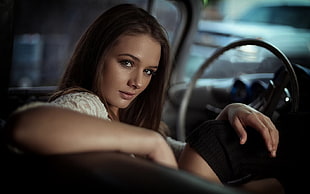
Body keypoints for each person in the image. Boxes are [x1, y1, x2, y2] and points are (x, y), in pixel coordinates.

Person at [4, 3, 283, 194]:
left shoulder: (129, 118)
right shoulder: (87, 104)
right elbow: (25, 126)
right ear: (96, 57)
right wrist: (150, 143)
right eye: (126, 63)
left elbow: (188, 153)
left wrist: (231, 110)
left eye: (149, 71)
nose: (138, 82)